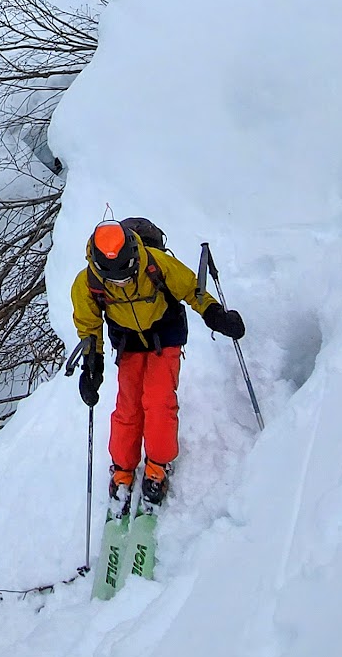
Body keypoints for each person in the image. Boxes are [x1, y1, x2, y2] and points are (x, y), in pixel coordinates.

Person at [69, 217, 245, 517]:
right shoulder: (87, 283)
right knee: (128, 406)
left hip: (166, 334)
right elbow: (88, 325)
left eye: (125, 276)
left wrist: (215, 314)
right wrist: (92, 366)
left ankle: (157, 467)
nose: (122, 282)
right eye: (116, 280)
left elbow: (192, 289)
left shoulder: (156, 263)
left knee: (158, 401)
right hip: (129, 342)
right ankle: (123, 469)